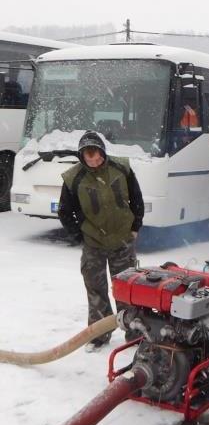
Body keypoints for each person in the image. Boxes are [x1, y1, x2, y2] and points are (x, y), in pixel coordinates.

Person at [57, 131, 144, 351]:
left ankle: (134, 331)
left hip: (122, 240)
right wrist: (79, 235)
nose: (95, 162)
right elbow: (65, 212)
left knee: (127, 288)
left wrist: (135, 226)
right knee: (96, 290)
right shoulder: (73, 178)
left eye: (98, 157)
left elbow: (136, 198)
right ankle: (99, 335)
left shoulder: (121, 168)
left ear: (103, 152)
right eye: (90, 158)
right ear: (82, 157)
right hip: (93, 243)